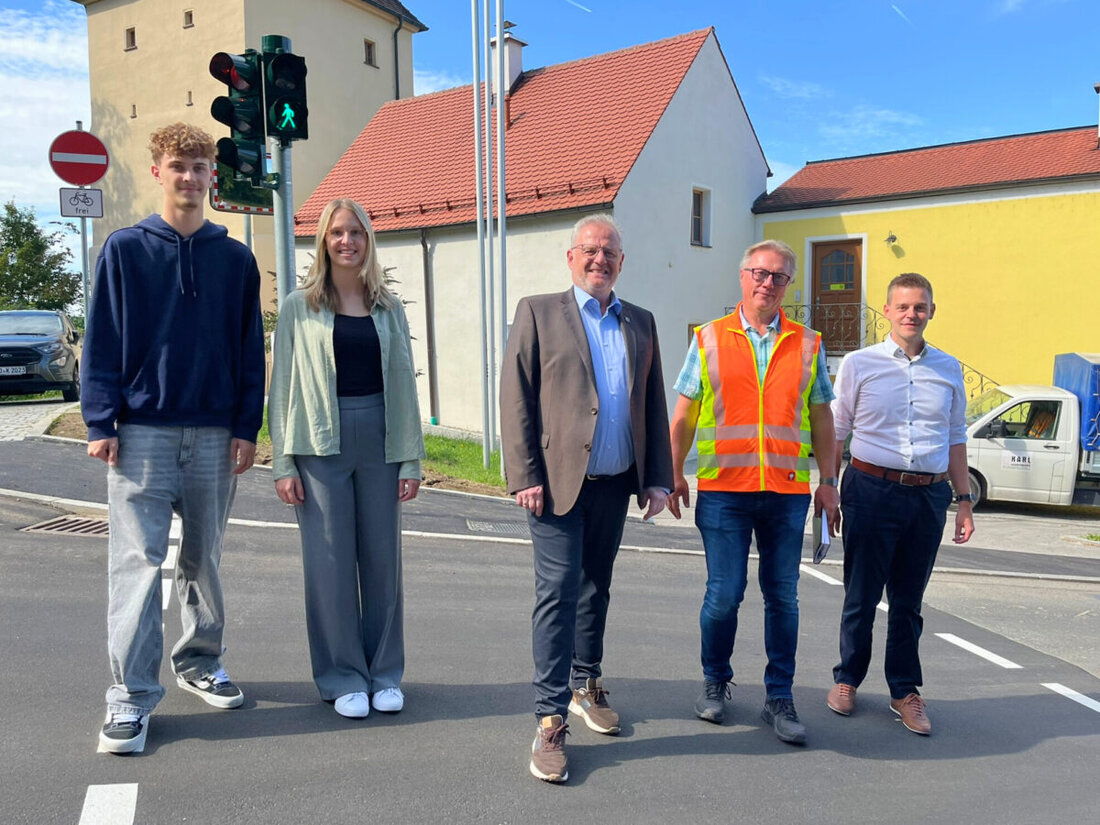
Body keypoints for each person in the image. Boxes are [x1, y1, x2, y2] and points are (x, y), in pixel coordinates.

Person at [81, 122, 265, 754]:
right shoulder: (125, 249)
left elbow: (249, 349)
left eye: (200, 167)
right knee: (136, 565)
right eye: (178, 166)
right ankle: (129, 698)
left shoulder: (234, 257)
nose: (190, 177)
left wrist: (247, 425)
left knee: (204, 558)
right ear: (158, 172)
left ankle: (200, 661)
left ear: (213, 175)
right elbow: (101, 338)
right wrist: (100, 421)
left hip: (215, 432)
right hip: (141, 434)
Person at [500, 214, 673, 783]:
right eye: (591, 251)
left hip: (615, 482)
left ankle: (584, 682)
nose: (600, 260)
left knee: (596, 586)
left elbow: (651, 404)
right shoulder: (538, 311)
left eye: (611, 253)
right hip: (553, 484)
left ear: (621, 262)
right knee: (556, 592)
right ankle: (549, 718)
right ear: (571, 257)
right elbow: (516, 395)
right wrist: (524, 472)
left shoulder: (641, 321)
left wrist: (657, 478)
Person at [668, 239, 839, 746]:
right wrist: (675, 471)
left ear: (788, 285)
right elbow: (683, 414)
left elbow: (823, 418)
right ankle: (715, 682)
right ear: (742, 276)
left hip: (787, 493)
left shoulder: (808, 343)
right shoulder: (708, 339)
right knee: (724, 596)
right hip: (724, 491)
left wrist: (828, 482)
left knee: (782, 598)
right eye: (759, 273)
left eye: (779, 276)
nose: (768, 283)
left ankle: (779, 697)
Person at [268, 198, 425, 720]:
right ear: (323, 240)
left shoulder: (389, 307)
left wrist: (410, 458)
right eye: (337, 232)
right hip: (318, 440)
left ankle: (384, 674)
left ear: (368, 240)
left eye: (356, 232)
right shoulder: (298, 305)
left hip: (380, 438)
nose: (347, 241)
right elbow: (282, 386)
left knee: (383, 564)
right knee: (329, 564)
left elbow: (403, 382)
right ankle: (342, 677)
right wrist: (283, 463)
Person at [825, 272, 974, 735]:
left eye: (921, 307)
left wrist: (964, 500)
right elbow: (837, 428)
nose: (912, 314)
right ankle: (847, 678)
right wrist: (827, 484)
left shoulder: (949, 368)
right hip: (870, 489)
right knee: (862, 594)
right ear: (887, 311)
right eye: (904, 306)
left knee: (909, 601)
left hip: (928, 495)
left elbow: (954, 437)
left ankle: (904, 691)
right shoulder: (858, 363)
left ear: (932, 311)